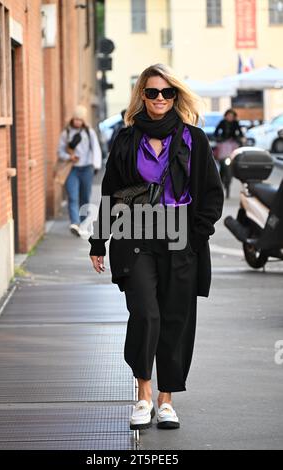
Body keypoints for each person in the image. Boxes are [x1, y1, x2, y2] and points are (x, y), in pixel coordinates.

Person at [88, 64, 224, 430]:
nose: (160, 98)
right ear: (141, 97)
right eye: (152, 93)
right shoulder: (126, 139)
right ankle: (144, 395)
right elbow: (109, 192)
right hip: (135, 238)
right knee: (146, 313)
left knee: (175, 318)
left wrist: (198, 235)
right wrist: (99, 240)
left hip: (181, 239)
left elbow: (212, 192)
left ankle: (167, 400)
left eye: (166, 93)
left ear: (175, 96)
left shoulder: (194, 138)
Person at [57, 105, 102, 237]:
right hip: (72, 169)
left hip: (87, 168)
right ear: (72, 119)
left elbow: (96, 149)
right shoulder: (66, 133)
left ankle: (83, 223)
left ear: (83, 120)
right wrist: (69, 157)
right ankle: (75, 223)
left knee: (85, 197)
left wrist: (96, 165)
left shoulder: (89, 132)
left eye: (80, 120)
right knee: (72, 196)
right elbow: (60, 151)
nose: (77, 122)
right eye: (76, 119)